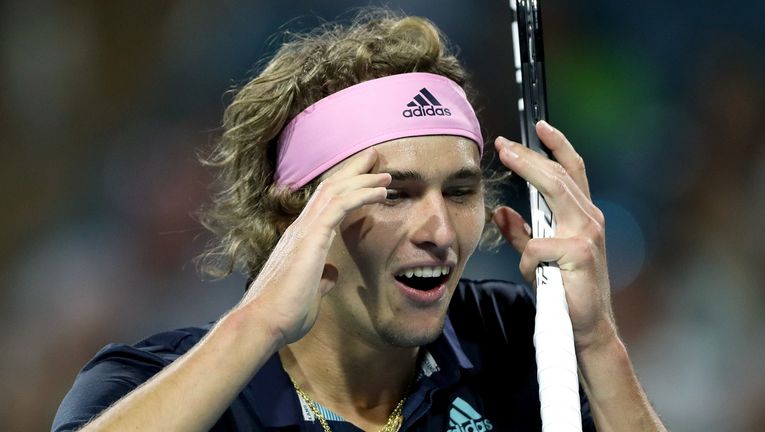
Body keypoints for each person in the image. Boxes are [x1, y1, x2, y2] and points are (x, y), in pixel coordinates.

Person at [52, 9, 666, 432]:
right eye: (394, 193)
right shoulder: (150, 380)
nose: (441, 231)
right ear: (297, 209)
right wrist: (259, 323)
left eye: (460, 191)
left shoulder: (512, 341)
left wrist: (595, 341)